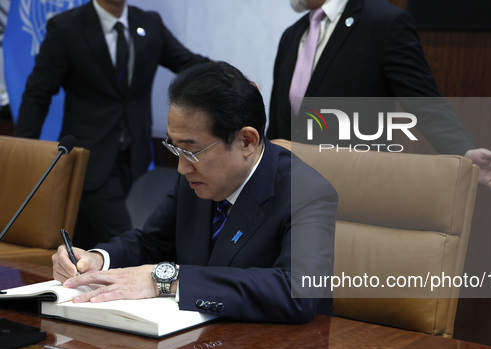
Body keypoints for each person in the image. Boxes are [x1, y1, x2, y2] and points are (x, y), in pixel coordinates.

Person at [51, 61, 338, 323]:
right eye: (175, 148)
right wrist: (98, 260)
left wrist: (168, 279)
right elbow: (152, 241)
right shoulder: (196, 175)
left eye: (191, 150)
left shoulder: (306, 192)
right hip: (197, 340)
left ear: (247, 141)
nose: (181, 167)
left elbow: (295, 291)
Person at [13, 0, 210, 249]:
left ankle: (75, 282)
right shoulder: (67, 27)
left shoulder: (148, 24)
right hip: (90, 157)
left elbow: (189, 63)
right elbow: (37, 94)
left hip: (133, 154)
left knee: (84, 240)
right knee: (123, 239)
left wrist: (232, 78)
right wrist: (23, 152)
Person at [267, 0, 491, 193]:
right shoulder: (292, 35)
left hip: (350, 191)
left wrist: (464, 151)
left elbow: (424, 102)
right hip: (290, 191)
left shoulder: (384, 23)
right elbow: (279, 125)